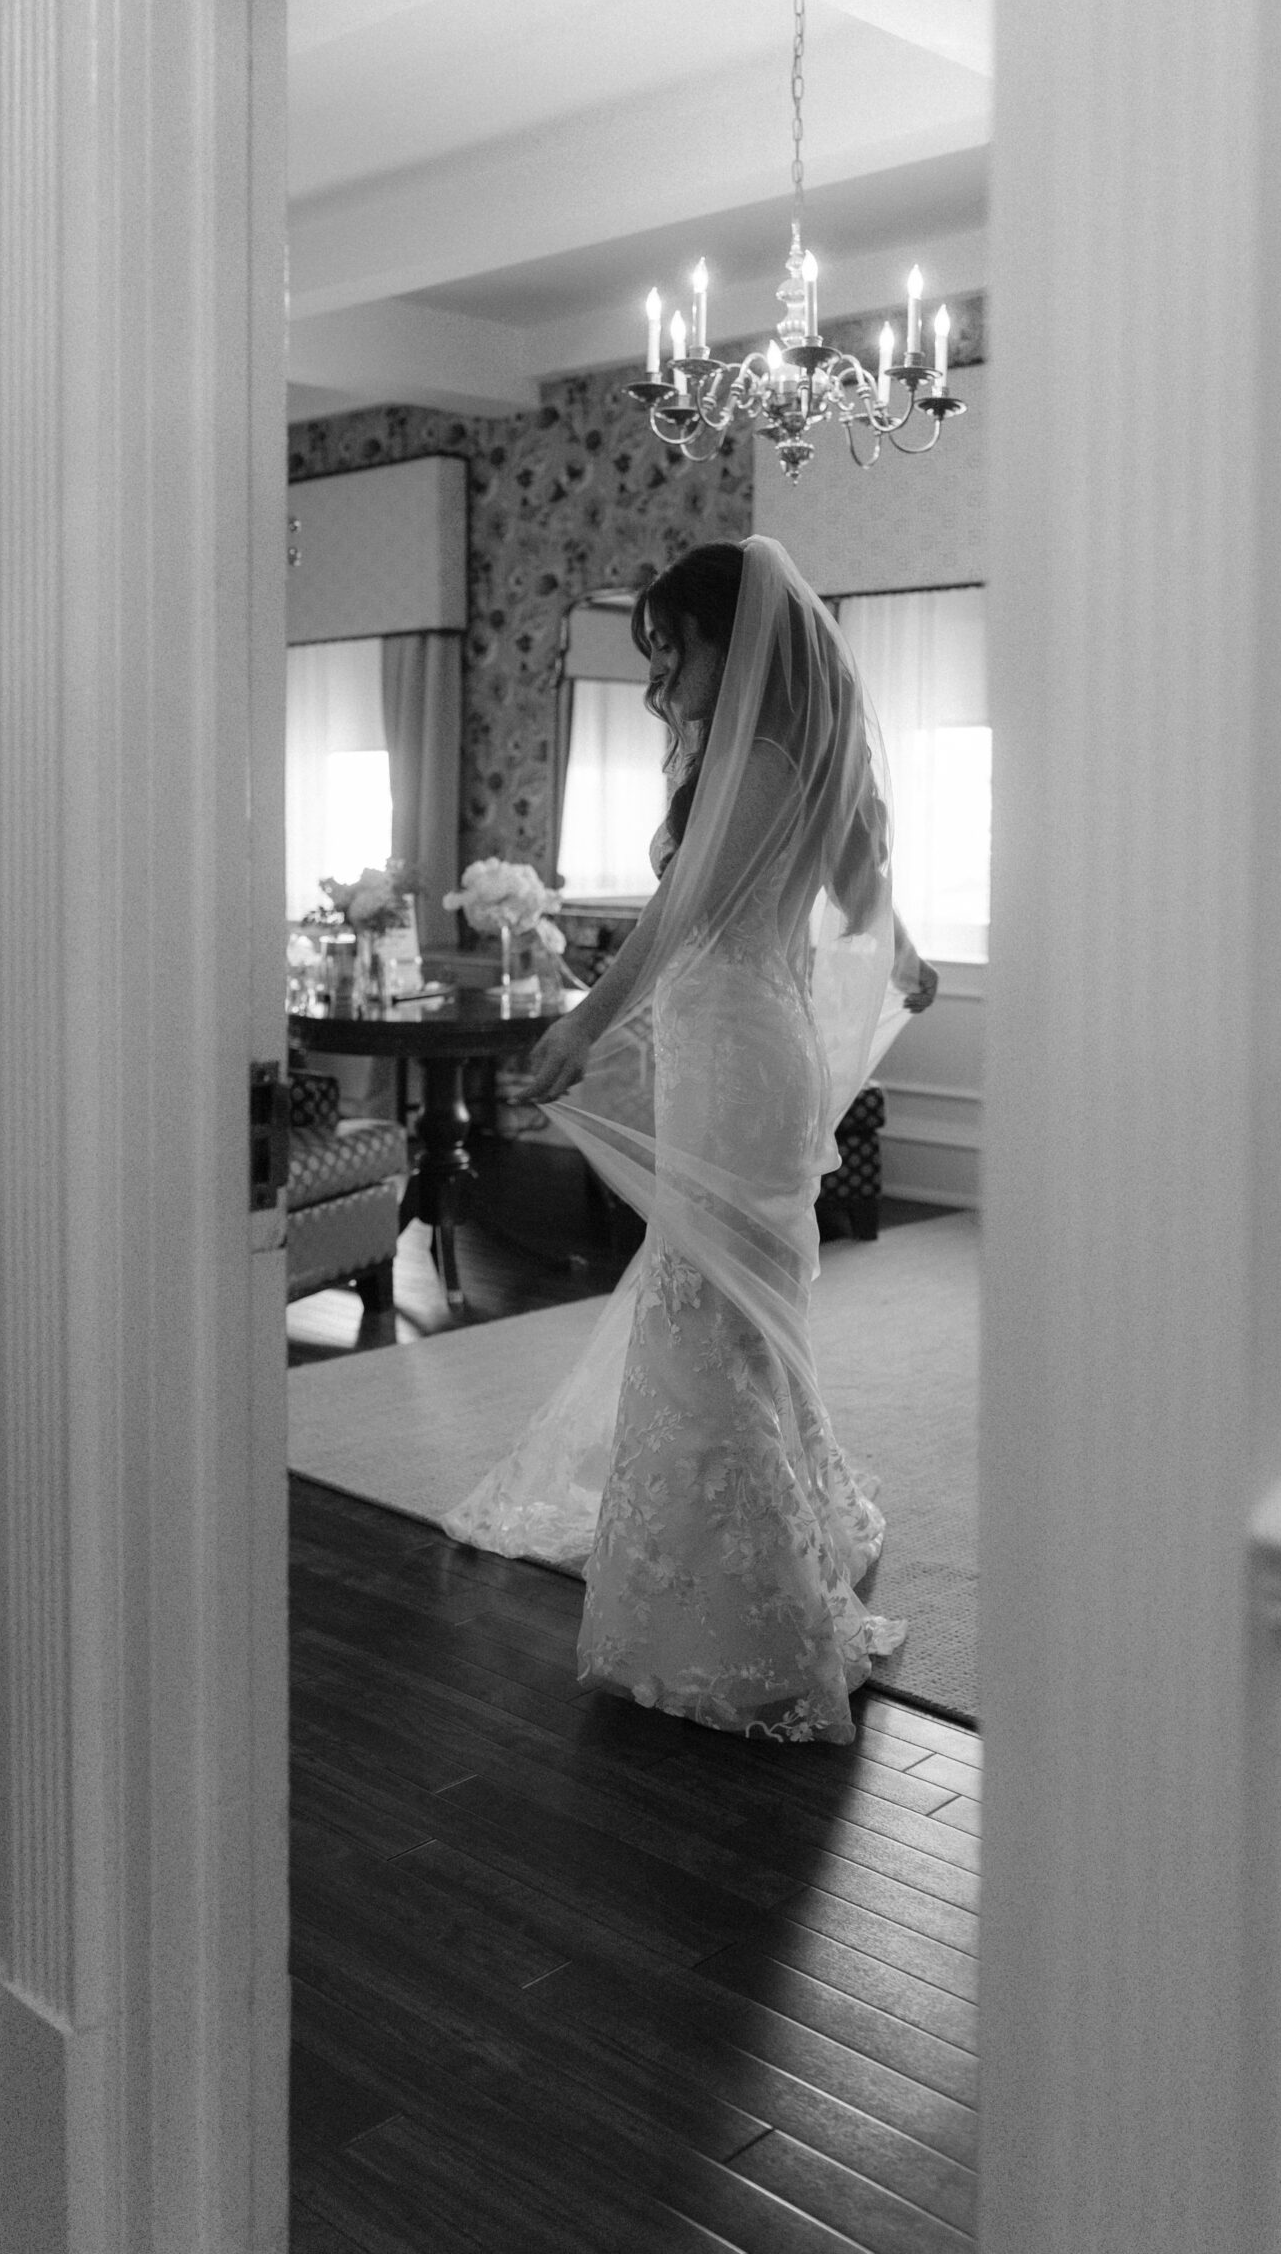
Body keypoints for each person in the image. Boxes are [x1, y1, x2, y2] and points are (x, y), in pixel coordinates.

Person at [439, 534, 938, 1743]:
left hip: (736, 1058)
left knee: (707, 1301)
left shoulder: (759, 761)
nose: (661, 672)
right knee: (734, 1299)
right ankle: (769, 1532)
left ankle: (748, 1606)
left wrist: (583, 1024)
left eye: (674, 645)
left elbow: (681, 915)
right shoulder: (791, 753)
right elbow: (860, 885)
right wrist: (910, 956)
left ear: (734, 637)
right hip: (737, 1049)